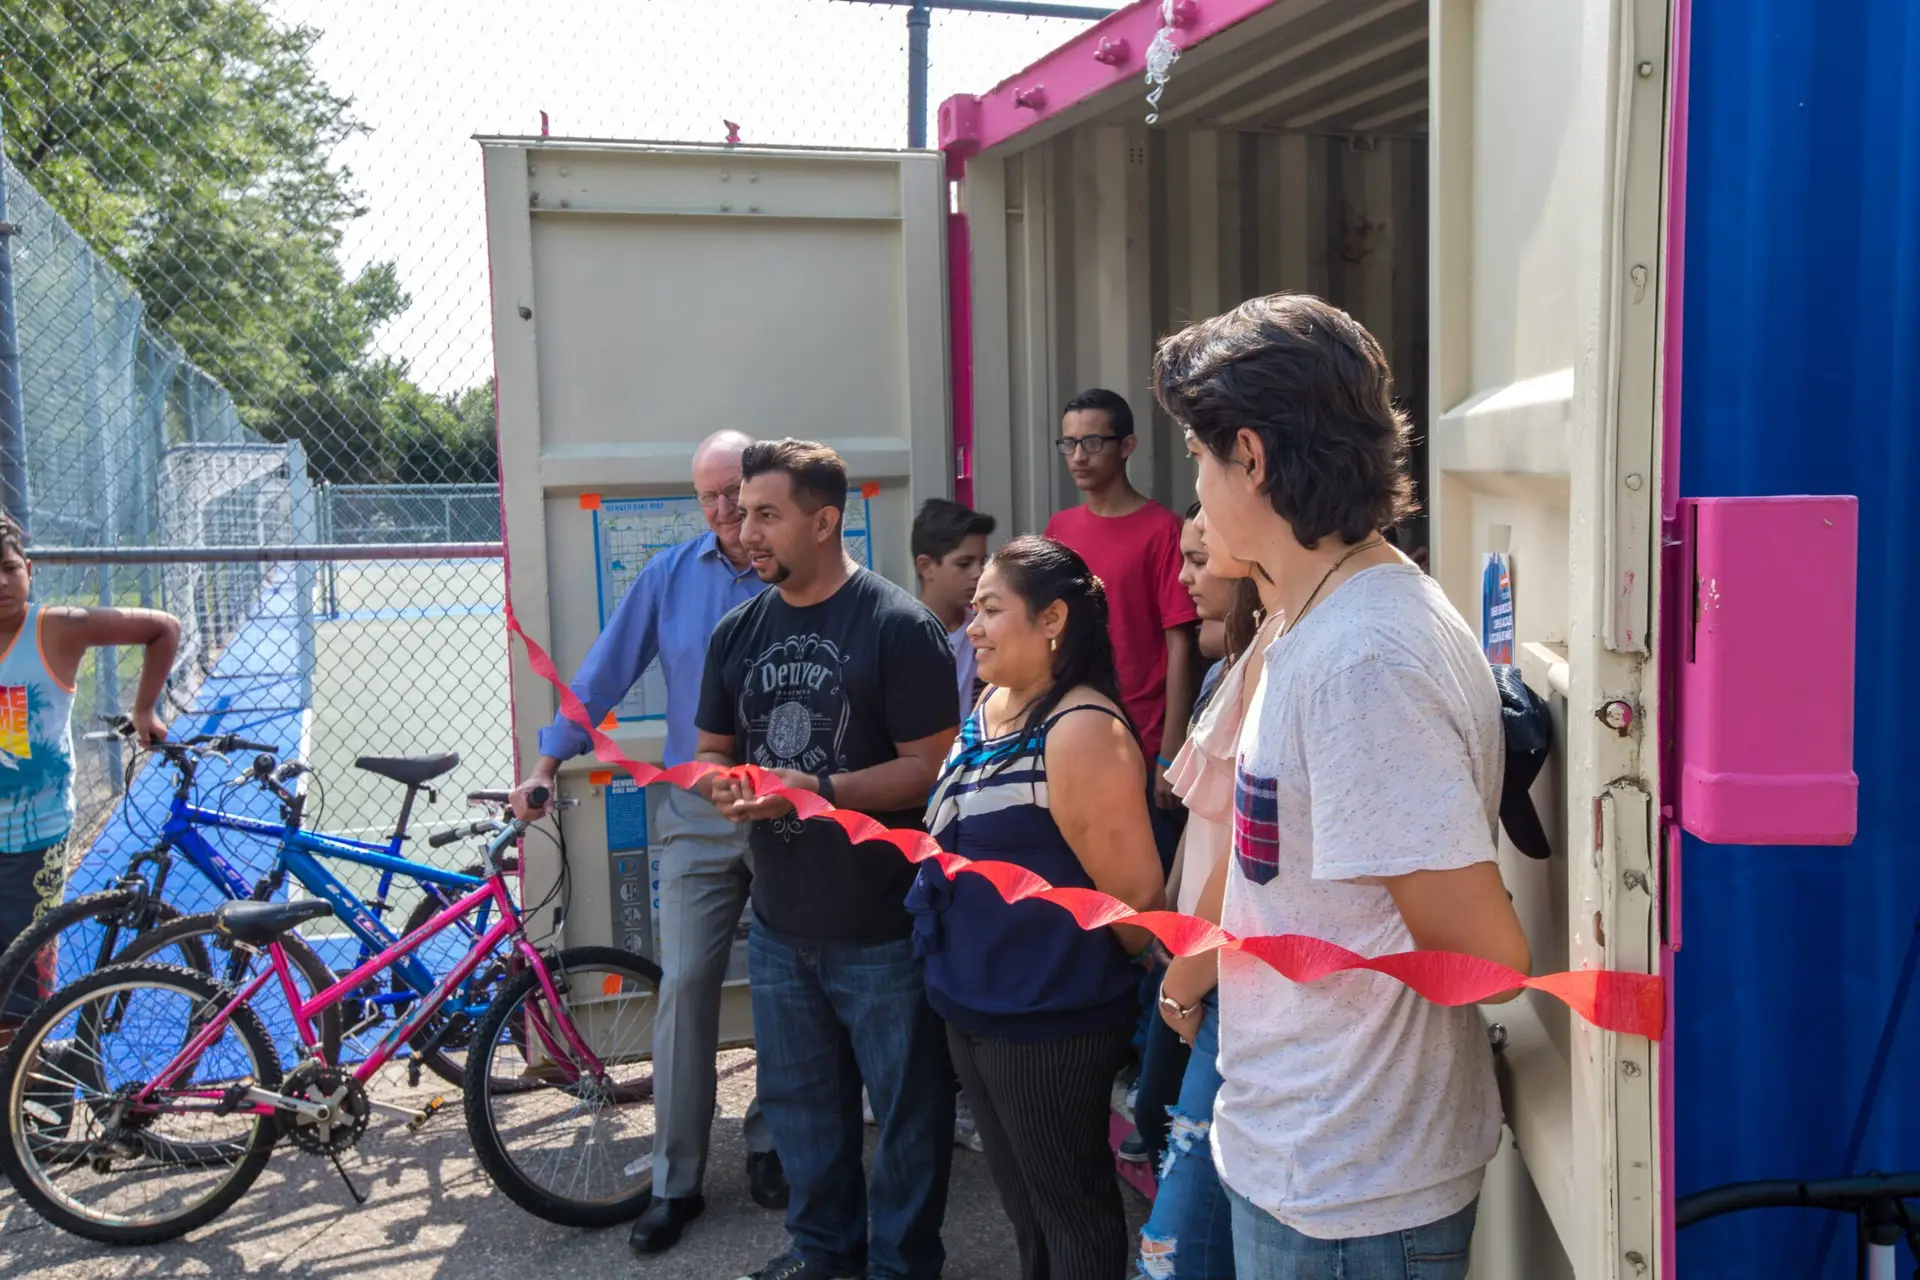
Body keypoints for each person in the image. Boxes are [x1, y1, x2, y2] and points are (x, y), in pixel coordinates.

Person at [1153, 294, 1531, 1280]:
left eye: (1198, 456)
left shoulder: (1362, 657)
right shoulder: (1310, 618)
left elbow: (1482, 955)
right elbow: (1275, 856)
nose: (1193, 482)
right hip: (1306, 1155)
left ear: (1253, 455)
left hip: (1353, 1188)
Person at [508, 429, 787, 1255]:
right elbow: (601, 674)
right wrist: (548, 760)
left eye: (735, 489)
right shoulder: (670, 576)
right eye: (708, 496)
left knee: (786, 979)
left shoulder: (802, 572)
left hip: (788, 811)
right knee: (688, 986)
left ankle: (774, 1145)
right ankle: (676, 1181)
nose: (726, 509)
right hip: (696, 813)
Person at [695, 439, 960, 1280]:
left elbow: (932, 766)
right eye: (742, 513)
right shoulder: (738, 631)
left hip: (882, 929)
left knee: (910, 1118)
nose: (746, 531)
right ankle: (823, 1258)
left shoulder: (896, 626)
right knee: (804, 1115)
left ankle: (902, 1268)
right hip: (779, 925)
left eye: (766, 514)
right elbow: (708, 753)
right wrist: (726, 785)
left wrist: (813, 789)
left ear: (824, 519)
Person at [905, 535, 1165, 1280]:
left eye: (990, 609)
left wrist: (1057, 964)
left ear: (1052, 619)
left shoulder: (1082, 728)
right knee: (1026, 1214)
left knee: (1072, 1214)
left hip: (1049, 1016)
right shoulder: (990, 703)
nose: (972, 626)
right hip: (972, 1003)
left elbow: (1137, 899)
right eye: (972, 608)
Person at [1136, 506, 1274, 1280]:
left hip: (1222, 974)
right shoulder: (1229, 671)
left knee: (1184, 1231)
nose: (1185, 577)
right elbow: (1206, 832)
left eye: (1197, 558)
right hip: (1194, 954)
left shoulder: (1272, 671)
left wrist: (1186, 982)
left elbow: (1246, 856)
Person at [0, 512, 180, 1039]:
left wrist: (145, 709)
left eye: (8, 569)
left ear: (29, 570)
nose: (0, 584)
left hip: (33, 841)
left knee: (19, 995)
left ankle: (28, 1096)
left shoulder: (56, 627)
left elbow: (161, 627)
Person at [1043, 389, 1199, 866]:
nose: (1078, 456)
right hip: (1073, 735)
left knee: (1146, 893)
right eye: (1068, 444)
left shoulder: (1162, 531)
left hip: (1143, 741)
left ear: (1126, 445)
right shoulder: (1060, 528)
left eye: (1092, 442)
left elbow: (1181, 643)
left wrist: (1170, 752)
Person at [911, 497, 995, 718]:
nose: (979, 573)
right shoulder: (901, 637)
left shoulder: (989, 631)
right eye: (964, 563)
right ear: (926, 566)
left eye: (983, 562)